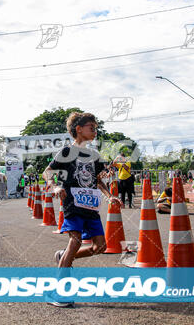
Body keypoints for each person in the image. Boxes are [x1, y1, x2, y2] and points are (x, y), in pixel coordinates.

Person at [42, 112, 121, 307]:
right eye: (91, 128)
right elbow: (47, 172)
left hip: (91, 206)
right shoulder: (67, 152)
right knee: (75, 241)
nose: (95, 131)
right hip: (72, 203)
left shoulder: (94, 155)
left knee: (100, 247)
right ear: (79, 129)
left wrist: (109, 196)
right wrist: (55, 187)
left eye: (95, 128)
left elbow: (98, 180)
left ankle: (64, 257)